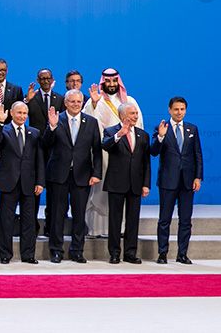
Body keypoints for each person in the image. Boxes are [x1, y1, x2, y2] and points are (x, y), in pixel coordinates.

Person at [42, 90, 102, 263]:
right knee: (57, 215)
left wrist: (96, 173)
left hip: (82, 176)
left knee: (78, 215)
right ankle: (56, 251)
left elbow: (96, 150)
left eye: (79, 101)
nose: (76, 104)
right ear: (66, 102)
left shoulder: (91, 122)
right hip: (58, 175)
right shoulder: (56, 119)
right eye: (72, 101)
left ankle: (77, 250)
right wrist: (51, 127)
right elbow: (45, 144)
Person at [83, 68, 143, 238]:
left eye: (114, 81)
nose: (111, 84)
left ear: (119, 82)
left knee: (123, 191)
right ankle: (96, 229)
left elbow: (139, 128)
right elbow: (89, 124)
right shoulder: (96, 100)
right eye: (107, 81)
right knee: (100, 191)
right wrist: (94, 104)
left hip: (125, 155)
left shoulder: (130, 101)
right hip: (104, 153)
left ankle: (121, 230)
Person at [0, 101, 44, 264]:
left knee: (29, 220)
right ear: (11, 113)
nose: (22, 116)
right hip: (9, 182)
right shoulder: (3, 130)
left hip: (29, 182)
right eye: (19, 113)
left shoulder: (34, 133)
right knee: (6, 219)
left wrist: (40, 182)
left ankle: (28, 255)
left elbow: (39, 160)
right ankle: (5, 254)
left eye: (24, 113)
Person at [150, 97, 203, 264]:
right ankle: (162, 253)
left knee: (185, 220)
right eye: (176, 109)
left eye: (182, 109)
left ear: (185, 110)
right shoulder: (162, 128)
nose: (179, 112)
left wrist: (198, 177)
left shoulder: (192, 129)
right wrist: (160, 136)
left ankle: (182, 254)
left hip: (187, 181)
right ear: (169, 110)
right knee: (164, 219)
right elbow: (153, 151)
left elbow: (198, 155)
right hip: (168, 181)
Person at [101, 103, 150, 264]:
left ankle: (130, 253)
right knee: (115, 220)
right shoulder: (111, 131)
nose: (136, 116)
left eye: (136, 113)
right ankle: (114, 253)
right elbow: (106, 146)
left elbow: (146, 162)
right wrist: (120, 135)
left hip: (136, 183)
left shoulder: (143, 135)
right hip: (116, 182)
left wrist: (146, 184)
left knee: (133, 220)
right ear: (122, 116)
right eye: (132, 113)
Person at [25, 68, 65, 237]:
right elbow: (20, 115)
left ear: (52, 79)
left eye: (48, 78)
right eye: (42, 79)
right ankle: (32, 226)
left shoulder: (61, 99)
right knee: (34, 189)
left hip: (55, 148)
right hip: (35, 148)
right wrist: (27, 100)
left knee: (54, 191)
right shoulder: (31, 98)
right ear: (38, 80)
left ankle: (50, 226)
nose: (46, 81)